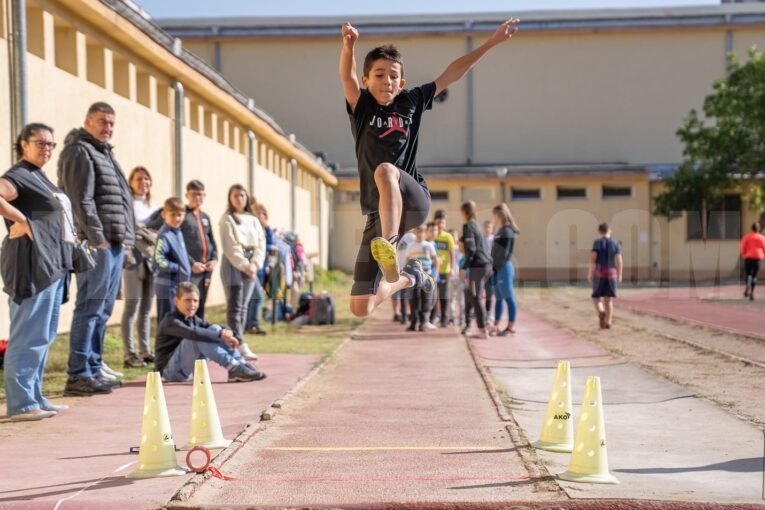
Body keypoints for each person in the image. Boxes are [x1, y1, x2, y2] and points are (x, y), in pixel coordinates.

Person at [338, 18, 520, 318]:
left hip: (413, 200)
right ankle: (410, 275)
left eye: (393, 76)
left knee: (385, 170)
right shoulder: (363, 107)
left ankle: (391, 247)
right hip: (377, 213)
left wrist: (492, 41)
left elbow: (453, 72)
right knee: (360, 307)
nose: (387, 81)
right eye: (380, 75)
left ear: (402, 82)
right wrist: (349, 46)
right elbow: (346, 76)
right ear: (366, 81)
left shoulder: (411, 101)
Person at [58, 102, 134, 396]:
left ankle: (93, 366)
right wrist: (98, 237)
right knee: (90, 307)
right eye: (103, 122)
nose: (108, 128)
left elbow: (120, 200)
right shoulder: (80, 150)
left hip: (113, 242)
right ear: (88, 121)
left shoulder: (104, 152)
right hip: (97, 242)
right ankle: (78, 374)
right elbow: (81, 200)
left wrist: (124, 239)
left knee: (102, 310)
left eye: (112, 123)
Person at [0, 124, 72, 420]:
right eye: (40, 143)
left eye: (51, 144)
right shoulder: (18, 175)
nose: (47, 149)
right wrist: (22, 221)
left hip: (51, 266)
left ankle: (35, 396)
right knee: (28, 334)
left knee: (42, 335)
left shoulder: (37, 177)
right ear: (23, 144)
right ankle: (21, 403)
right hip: (32, 266)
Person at [155, 282, 266, 383]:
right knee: (198, 337)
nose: (192, 304)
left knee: (215, 328)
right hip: (170, 373)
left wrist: (226, 333)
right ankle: (234, 368)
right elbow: (193, 333)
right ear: (176, 301)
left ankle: (241, 364)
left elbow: (214, 328)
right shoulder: (171, 321)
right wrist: (220, 335)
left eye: (195, 301)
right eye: (187, 300)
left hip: (189, 371)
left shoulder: (192, 318)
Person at [121, 166, 161, 368]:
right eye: (138, 179)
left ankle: (145, 350)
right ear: (131, 182)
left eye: (146, 179)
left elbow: (157, 233)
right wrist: (145, 232)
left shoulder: (153, 207)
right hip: (133, 259)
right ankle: (129, 353)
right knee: (132, 306)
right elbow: (130, 231)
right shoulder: (126, 203)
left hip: (150, 259)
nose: (143, 182)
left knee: (146, 309)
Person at [219, 184, 264, 361]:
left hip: (251, 265)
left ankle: (238, 340)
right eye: (236, 196)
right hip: (234, 264)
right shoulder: (227, 219)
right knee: (235, 305)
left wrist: (254, 264)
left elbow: (261, 243)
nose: (239, 199)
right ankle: (239, 342)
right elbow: (230, 246)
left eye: (242, 195)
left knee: (244, 306)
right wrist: (244, 265)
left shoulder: (252, 219)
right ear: (230, 198)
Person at [181, 179, 218, 318]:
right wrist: (192, 263)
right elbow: (180, 245)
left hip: (206, 270)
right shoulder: (183, 215)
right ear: (187, 195)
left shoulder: (205, 217)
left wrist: (214, 259)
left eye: (201, 194)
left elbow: (212, 241)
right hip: (192, 270)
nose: (198, 197)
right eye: (195, 194)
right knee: (189, 304)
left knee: (201, 303)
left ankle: (199, 335)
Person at [154, 197, 192, 326]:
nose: (176, 218)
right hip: (167, 286)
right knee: (167, 321)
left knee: (177, 322)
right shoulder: (164, 235)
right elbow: (158, 260)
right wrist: (176, 268)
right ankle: (163, 346)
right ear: (164, 214)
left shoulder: (178, 232)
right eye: (173, 215)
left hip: (178, 285)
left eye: (179, 215)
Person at [460, 201, 493, 340]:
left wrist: (464, 268)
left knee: (476, 297)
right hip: (486, 266)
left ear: (465, 212)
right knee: (473, 295)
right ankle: (486, 323)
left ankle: (482, 330)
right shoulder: (477, 226)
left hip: (478, 267)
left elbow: (471, 250)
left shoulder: (468, 226)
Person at [401, 225, 439, 332]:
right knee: (414, 299)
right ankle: (414, 323)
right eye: (418, 231)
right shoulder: (411, 246)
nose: (420, 234)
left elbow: (436, 260)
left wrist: (435, 274)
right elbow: (407, 260)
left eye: (422, 231)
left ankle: (424, 322)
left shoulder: (429, 245)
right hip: (414, 277)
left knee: (427, 299)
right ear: (415, 233)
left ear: (425, 233)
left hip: (427, 275)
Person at [490, 203, 520, 336]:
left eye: (494, 216)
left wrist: (495, 268)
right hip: (496, 268)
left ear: (498, 215)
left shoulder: (507, 231)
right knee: (498, 299)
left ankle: (511, 326)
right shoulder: (500, 231)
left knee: (508, 297)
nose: (493, 219)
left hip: (503, 268)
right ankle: (495, 326)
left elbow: (503, 254)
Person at [587, 222, 623, 329]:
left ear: (599, 231)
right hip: (611, 274)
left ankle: (601, 312)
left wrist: (589, 273)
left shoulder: (597, 243)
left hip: (599, 273)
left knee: (596, 297)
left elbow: (592, 258)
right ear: (609, 231)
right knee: (609, 299)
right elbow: (619, 261)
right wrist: (620, 274)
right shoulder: (616, 243)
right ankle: (608, 322)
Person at [245, 199, 268, 335]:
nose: (261, 216)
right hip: (251, 268)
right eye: (258, 213)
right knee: (257, 297)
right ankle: (252, 324)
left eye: (263, 214)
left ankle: (251, 325)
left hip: (261, 268)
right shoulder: (251, 230)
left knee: (254, 297)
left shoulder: (265, 230)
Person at [431, 211, 456, 327]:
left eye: (442, 222)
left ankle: (444, 320)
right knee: (432, 295)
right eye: (439, 221)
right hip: (432, 271)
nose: (440, 224)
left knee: (444, 296)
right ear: (435, 221)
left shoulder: (448, 237)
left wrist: (452, 268)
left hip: (445, 271)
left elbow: (452, 254)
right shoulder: (432, 235)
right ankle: (432, 317)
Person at [741, 222, 765, 301]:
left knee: (748, 274)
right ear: (758, 229)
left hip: (748, 257)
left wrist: (744, 254)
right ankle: (752, 293)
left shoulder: (747, 237)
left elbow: (743, 246)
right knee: (754, 275)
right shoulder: (762, 238)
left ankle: (748, 284)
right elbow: (764, 247)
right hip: (757, 258)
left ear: (752, 228)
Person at [482, 219, 495, 329]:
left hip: (491, 268)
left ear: (492, 229)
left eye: (489, 227)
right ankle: (482, 313)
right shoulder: (481, 240)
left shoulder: (494, 240)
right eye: (485, 227)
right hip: (482, 268)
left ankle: (489, 312)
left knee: (490, 292)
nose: (487, 229)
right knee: (480, 292)